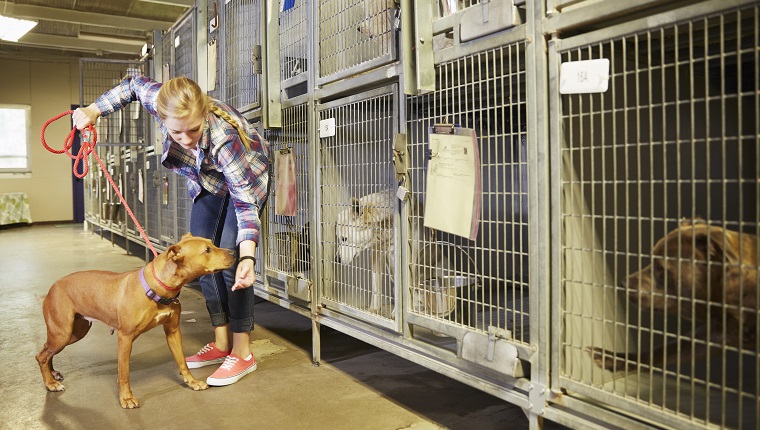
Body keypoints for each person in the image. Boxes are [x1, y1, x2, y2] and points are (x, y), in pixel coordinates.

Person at [73, 75, 269, 387]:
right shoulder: (159, 100)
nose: (186, 139)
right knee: (200, 262)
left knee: (230, 264)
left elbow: (245, 204)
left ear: (205, 114)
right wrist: (96, 109)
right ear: (162, 118)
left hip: (246, 178)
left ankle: (243, 352)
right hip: (208, 179)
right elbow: (133, 86)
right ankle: (221, 343)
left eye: (194, 129)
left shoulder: (224, 139)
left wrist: (248, 257)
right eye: (176, 132)